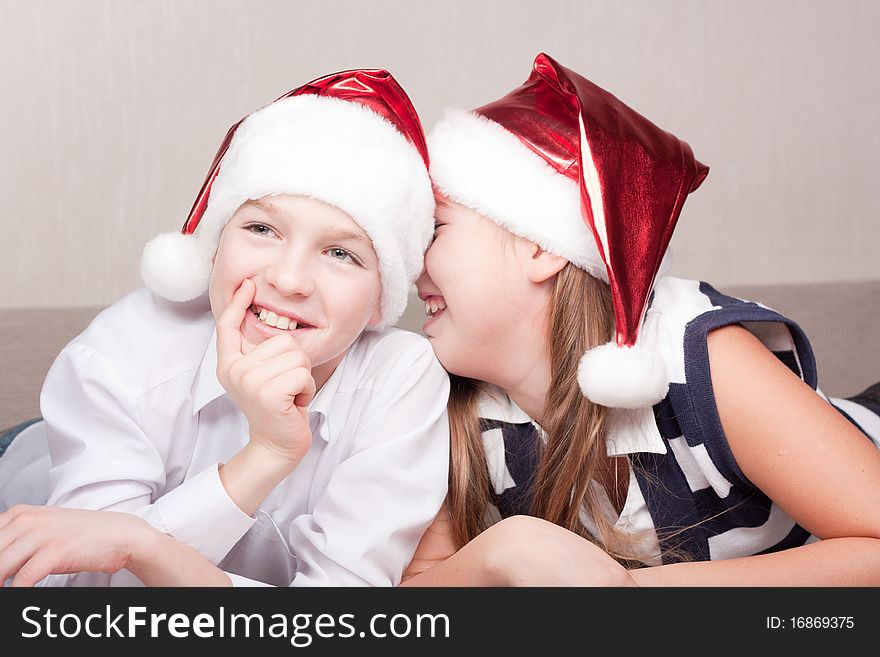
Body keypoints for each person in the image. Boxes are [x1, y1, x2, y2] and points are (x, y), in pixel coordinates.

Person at [401, 52, 880, 586]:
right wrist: (497, 555)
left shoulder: (702, 361)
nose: (412, 260)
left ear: (540, 246)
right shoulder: (448, 405)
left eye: (437, 229)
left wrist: (626, 595)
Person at [0, 68, 450, 587]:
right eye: (262, 228)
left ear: (380, 301)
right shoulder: (120, 354)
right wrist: (265, 457)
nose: (289, 278)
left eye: (341, 253)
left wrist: (141, 543)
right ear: (213, 248)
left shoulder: (402, 379)